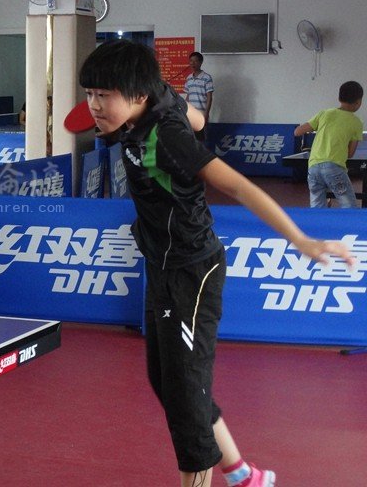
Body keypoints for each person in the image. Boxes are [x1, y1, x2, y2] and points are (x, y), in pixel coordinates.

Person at [78, 39, 354, 487]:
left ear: (137, 94)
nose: (93, 104)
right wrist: (178, 109)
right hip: (161, 263)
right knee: (167, 382)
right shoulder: (157, 97)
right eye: (89, 93)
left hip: (191, 269)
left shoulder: (165, 138)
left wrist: (301, 239)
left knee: (184, 396)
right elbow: (199, 118)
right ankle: (243, 475)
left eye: (103, 95)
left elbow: (240, 187)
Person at [294, 81, 363, 208]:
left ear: (339, 98)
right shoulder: (356, 122)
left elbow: (297, 132)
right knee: (349, 207)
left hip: (313, 168)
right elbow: (350, 153)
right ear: (358, 102)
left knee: (317, 208)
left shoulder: (324, 113)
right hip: (334, 167)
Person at [184, 51, 214, 141]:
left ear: (200, 62)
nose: (192, 63)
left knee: (201, 139)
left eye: (195, 61)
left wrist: (206, 113)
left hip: (201, 113)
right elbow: (188, 96)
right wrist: (185, 111)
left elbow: (209, 97)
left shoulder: (207, 77)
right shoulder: (189, 78)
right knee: (191, 138)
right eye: (191, 61)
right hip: (191, 113)